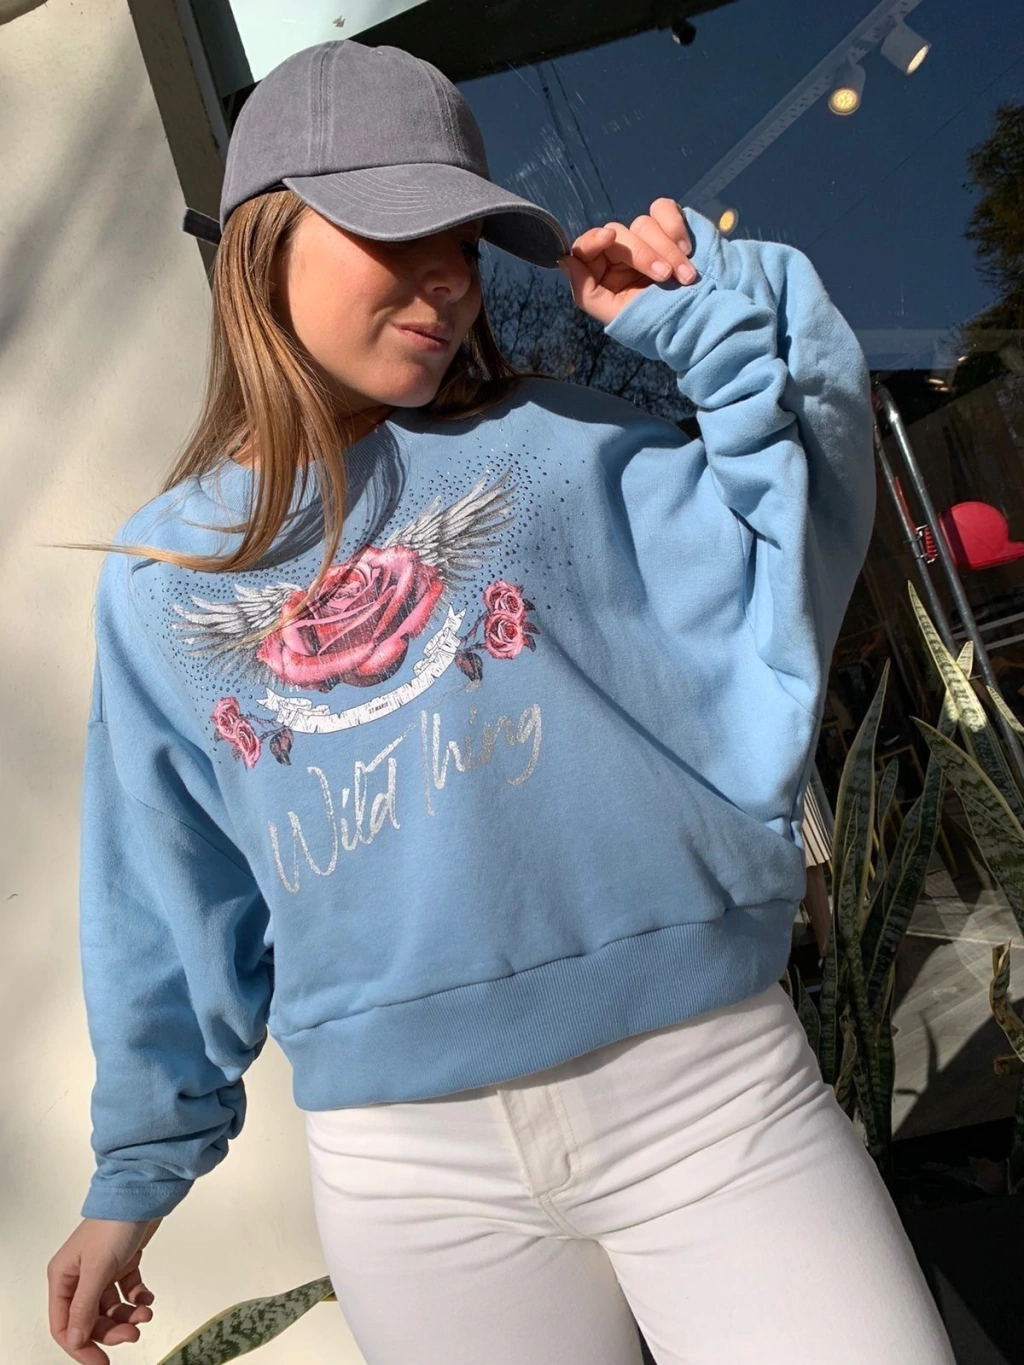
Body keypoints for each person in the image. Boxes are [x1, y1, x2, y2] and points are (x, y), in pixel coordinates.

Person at [46, 39, 955, 1365]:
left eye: (466, 243)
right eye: (398, 229)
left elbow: (794, 535)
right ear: (264, 239)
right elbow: (162, 896)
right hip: (408, 1177)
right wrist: (136, 1175)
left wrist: (701, 317)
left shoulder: (561, 450)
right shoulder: (167, 583)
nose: (449, 278)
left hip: (706, 1097)